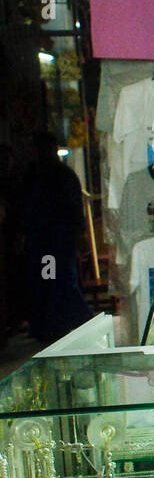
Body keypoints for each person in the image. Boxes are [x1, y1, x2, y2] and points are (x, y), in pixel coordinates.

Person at [20, 133, 94, 342]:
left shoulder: (59, 175)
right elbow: (27, 207)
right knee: (49, 279)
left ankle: (66, 322)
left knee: (56, 279)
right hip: (45, 241)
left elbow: (72, 207)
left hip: (56, 240)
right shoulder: (37, 174)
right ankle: (53, 324)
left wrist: (79, 233)